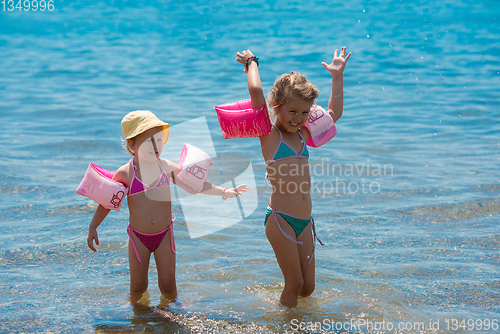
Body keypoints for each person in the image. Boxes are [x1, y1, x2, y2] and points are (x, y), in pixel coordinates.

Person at [86, 110, 247, 303]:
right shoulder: (126, 174)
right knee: (138, 287)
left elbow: (196, 185)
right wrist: (93, 227)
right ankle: (138, 321)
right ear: (131, 144)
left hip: (164, 235)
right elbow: (106, 203)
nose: (156, 146)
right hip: (138, 238)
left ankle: (170, 320)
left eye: (159, 140)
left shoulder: (166, 167)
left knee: (169, 285)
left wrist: (225, 191)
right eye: (149, 141)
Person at [235, 47, 351, 307]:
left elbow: (334, 114)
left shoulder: (303, 135)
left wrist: (337, 76)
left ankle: (280, 308)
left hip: (305, 221)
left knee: (308, 288)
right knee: (295, 283)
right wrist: (252, 63)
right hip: (280, 220)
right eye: (292, 112)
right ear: (276, 107)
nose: (299, 119)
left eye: (305, 112)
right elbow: (256, 94)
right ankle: (286, 325)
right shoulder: (269, 136)